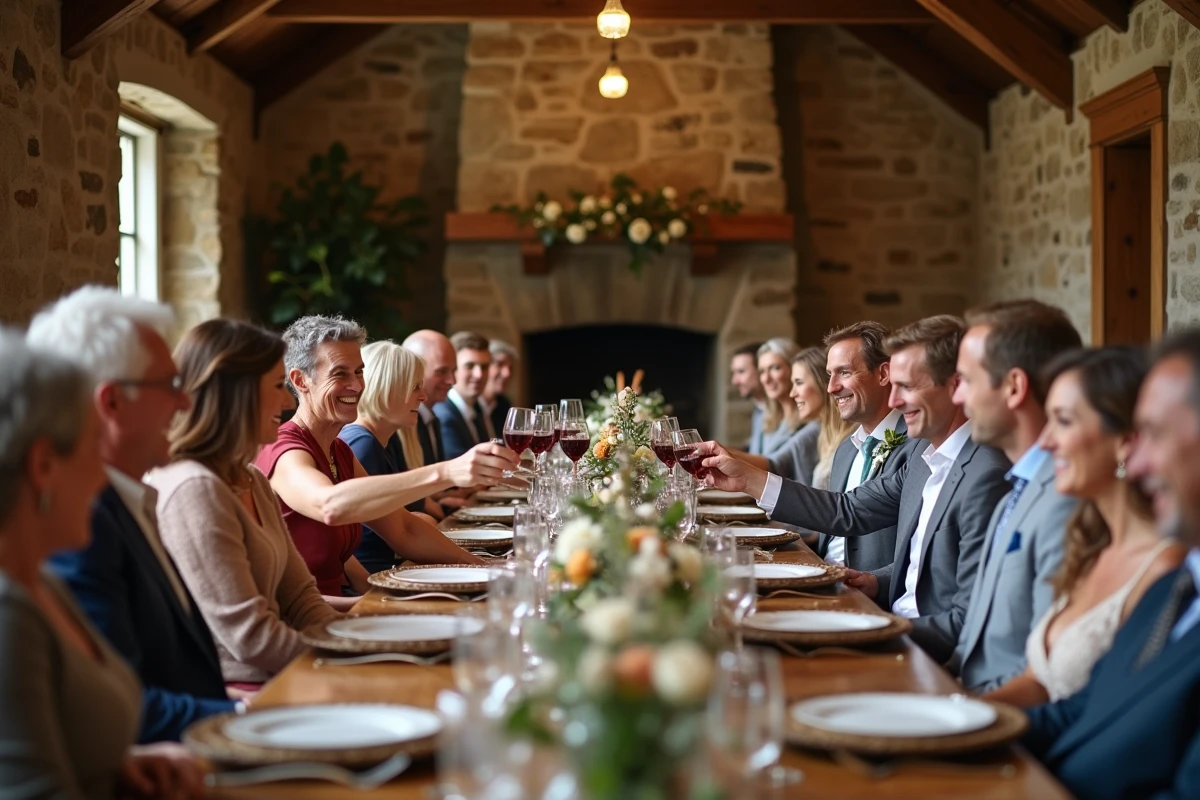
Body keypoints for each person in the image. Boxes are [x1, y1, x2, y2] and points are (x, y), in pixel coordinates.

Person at [698, 315, 1011, 663]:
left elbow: (963, 616)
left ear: (955, 386)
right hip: (887, 620)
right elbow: (850, 512)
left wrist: (873, 628)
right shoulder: (925, 460)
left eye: (906, 386)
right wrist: (747, 480)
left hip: (923, 653)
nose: (894, 401)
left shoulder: (985, 473)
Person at [0, 329, 206, 800]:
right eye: (93, 448)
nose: (103, 478)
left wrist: (120, 765)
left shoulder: (42, 585)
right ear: (43, 466)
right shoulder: (8, 611)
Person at [28, 287, 237, 743]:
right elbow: (120, 704)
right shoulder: (82, 525)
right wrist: (248, 714)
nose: (184, 403)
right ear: (112, 403)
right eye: (169, 385)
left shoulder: (126, 499)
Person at [1021, 329, 1200, 800]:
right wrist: (951, 724)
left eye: (1154, 435)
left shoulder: (1163, 574)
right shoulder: (1178, 590)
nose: (1136, 463)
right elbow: (1083, 709)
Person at [254, 316, 505, 610]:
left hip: (339, 612)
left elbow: (404, 529)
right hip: (302, 626)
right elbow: (330, 505)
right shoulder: (285, 449)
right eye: (340, 374)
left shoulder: (339, 451)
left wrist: (489, 571)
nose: (356, 385)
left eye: (359, 372)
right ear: (300, 381)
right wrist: (448, 472)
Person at [984, 347, 1185, 708]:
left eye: (1063, 421)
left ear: (1124, 440)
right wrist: (959, 712)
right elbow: (1037, 680)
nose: (1045, 442)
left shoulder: (1164, 568)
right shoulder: (1089, 543)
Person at [146, 320, 341, 688]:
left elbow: (300, 598)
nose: (287, 401)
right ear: (235, 394)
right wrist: (347, 654)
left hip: (285, 672)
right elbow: (252, 639)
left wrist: (359, 641)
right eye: (275, 387)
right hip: (238, 692)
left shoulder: (251, 478)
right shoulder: (194, 488)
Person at [950, 300, 1082, 693]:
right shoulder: (1019, 484)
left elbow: (1042, 671)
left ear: (1014, 387)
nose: (958, 398)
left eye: (966, 381)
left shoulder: (1065, 502)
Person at [340, 341, 526, 575]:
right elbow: (405, 530)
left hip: (397, 569)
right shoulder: (362, 442)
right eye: (415, 387)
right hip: (382, 576)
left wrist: (484, 566)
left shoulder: (375, 442)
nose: (423, 396)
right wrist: (486, 567)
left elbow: (408, 521)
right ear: (387, 388)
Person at [818, 322, 920, 571]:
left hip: (870, 597)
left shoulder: (917, 445)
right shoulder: (845, 450)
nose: (832, 387)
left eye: (844, 372)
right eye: (829, 374)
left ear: (884, 374)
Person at [435, 331, 494, 460]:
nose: (479, 375)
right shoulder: (444, 417)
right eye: (469, 366)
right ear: (453, 368)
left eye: (484, 367)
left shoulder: (478, 408)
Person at [401, 330, 455, 467]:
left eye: (453, 371)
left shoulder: (432, 419)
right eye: (442, 371)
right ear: (413, 370)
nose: (452, 380)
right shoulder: (399, 425)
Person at [756, 338, 803, 458]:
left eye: (775, 368)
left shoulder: (808, 420)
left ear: (794, 369)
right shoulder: (765, 418)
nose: (766, 379)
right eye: (762, 371)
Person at [730, 341, 766, 453]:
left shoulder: (783, 412)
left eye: (741, 372)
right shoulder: (759, 409)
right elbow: (752, 448)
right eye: (733, 373)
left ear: (761, 371)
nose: (734, 381)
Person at [484, 339, 517, 438]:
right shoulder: (469, 407)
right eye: (499, 364)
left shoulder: (504, 405)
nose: (507, 374)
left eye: (510, 368)